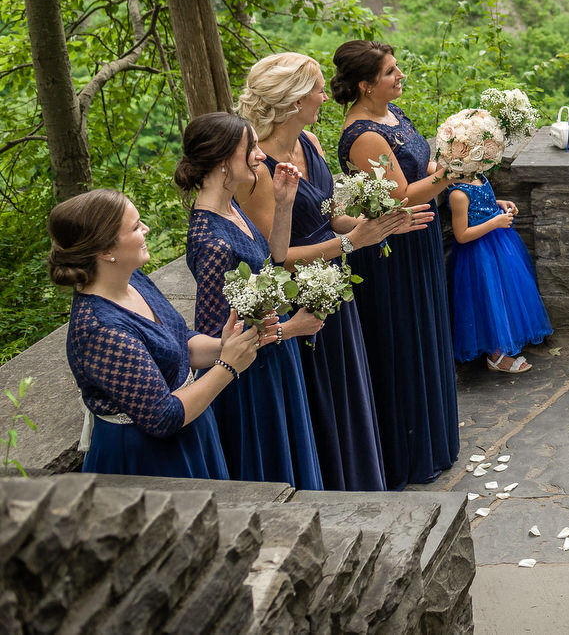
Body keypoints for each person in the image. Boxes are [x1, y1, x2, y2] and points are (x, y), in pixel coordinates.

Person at [236, 52, 427, 492]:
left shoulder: (311, 143)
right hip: (300, 298)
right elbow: (274, 257)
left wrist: (373, 226)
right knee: (323, 399)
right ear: (294, 100)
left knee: (350, 391)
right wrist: (351, 243)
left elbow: (329, 213)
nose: (326, 95)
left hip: (335, 283)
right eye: (318, 89)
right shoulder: (256, 170)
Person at [54, 189, 267, 479]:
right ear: (106, 251)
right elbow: (163, 417)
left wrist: (225, 345)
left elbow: (181, 345)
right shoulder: (101, 329)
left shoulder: (135, 281)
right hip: (147, 460)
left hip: (192, 431)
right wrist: (228, 366)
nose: (146, 229)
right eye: (135, 226)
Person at [334, 39, 460, 485]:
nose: (400, 75)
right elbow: (402, 196)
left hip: (419, 240)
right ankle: (408, 452)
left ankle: (435, 438)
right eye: (390, 72)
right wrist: (456, 170)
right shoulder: (365, 134)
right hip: (394, 251)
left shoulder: (393, 116)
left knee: (427, 332)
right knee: (405, 340)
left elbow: (420, 169)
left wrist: (446, 162)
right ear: (366, 85)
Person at [180, 112, 325, 489]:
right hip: (250, 379)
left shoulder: (231, 208)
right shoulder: (209, 241)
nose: (260, 155)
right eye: (251, 148)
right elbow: (220, 339)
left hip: (272, 358)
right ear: (224, 160)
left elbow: (273, 260)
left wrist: (284, 204)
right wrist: (290, 330)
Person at [446, 168, 553, 373]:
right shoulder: (457, 193)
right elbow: (462, 235)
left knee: (505, 295)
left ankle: (503, 347)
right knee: (488, 299)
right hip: (478, 254)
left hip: (498, 245)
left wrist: (498, 204)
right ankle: (495, 356)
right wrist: (495, 222)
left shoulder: (477, 176)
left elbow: (479, 204)